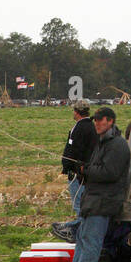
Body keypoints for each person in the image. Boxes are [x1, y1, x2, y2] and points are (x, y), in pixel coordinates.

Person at [60, 106, 130, 262]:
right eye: (96, 120)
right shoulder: (101, 143)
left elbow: (110, 173)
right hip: (93, 198)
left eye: (101, 120)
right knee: (82, 237)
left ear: (110, 121)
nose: (97, 123)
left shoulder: (118, 145)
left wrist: (86, 170)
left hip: (105, 200)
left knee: (91, 239)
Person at [52, 102, 97, 238]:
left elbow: (73, 150)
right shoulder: (92, 126)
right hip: (87, 173)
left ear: (76, 112)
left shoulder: (78, 128)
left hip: (78, 175)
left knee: (79, 206)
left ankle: (75, 232)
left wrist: (68, 167)